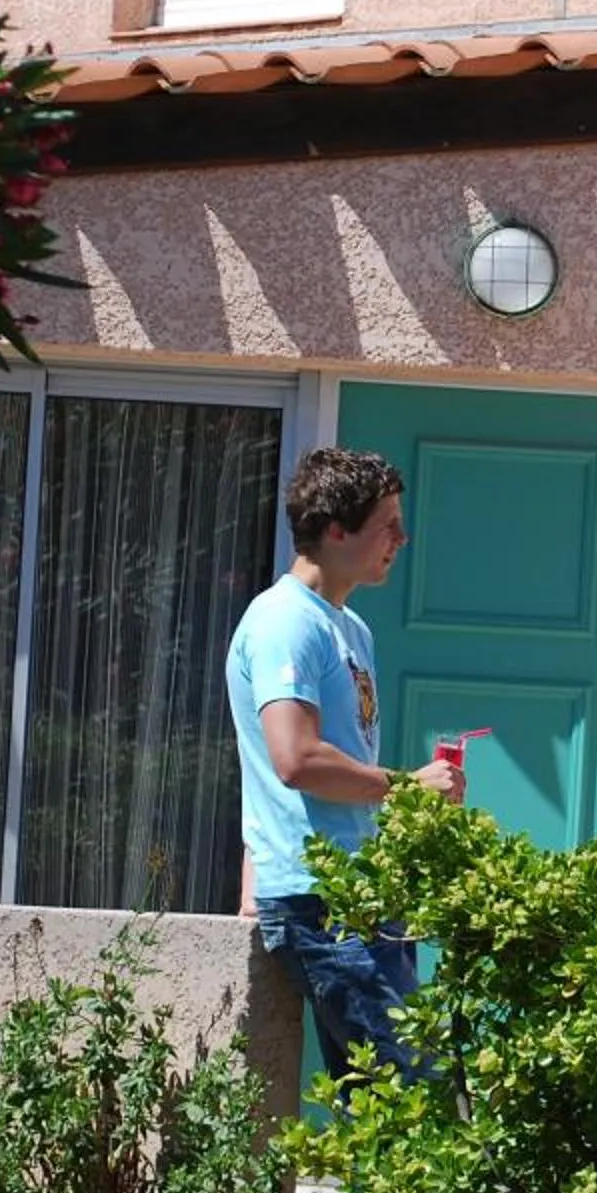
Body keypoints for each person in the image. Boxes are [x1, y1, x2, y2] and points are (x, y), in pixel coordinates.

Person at [227, 446, 459, 1086]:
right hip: (317, 902)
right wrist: (408, 787)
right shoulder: (282, 622)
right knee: (408, 1090)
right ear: (335, 530)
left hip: (363, 894)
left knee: (385, 1102)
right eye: (387, 524)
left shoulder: (349, 628)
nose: (401, 539)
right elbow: (293, 758)